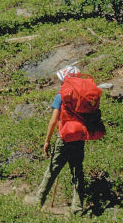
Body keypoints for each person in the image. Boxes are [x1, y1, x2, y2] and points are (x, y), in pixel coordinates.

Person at [25, 65, 88, 214]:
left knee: (52, 169)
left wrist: (47, 140)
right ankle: (77, 208)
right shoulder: (84, 95)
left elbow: (53, 121)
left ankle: (38, 200)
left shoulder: (61, 96)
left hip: (64, 138)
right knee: (77, 171)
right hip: (79, 137)